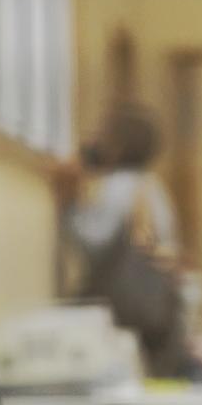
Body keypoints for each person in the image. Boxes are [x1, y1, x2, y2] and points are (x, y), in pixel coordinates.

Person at [54, 102, 186, 377]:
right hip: (157, 307)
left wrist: (67, 205)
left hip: (125, 309)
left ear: (117, 144)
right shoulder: (152, 185)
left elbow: (93, 241)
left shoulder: (119, 186)